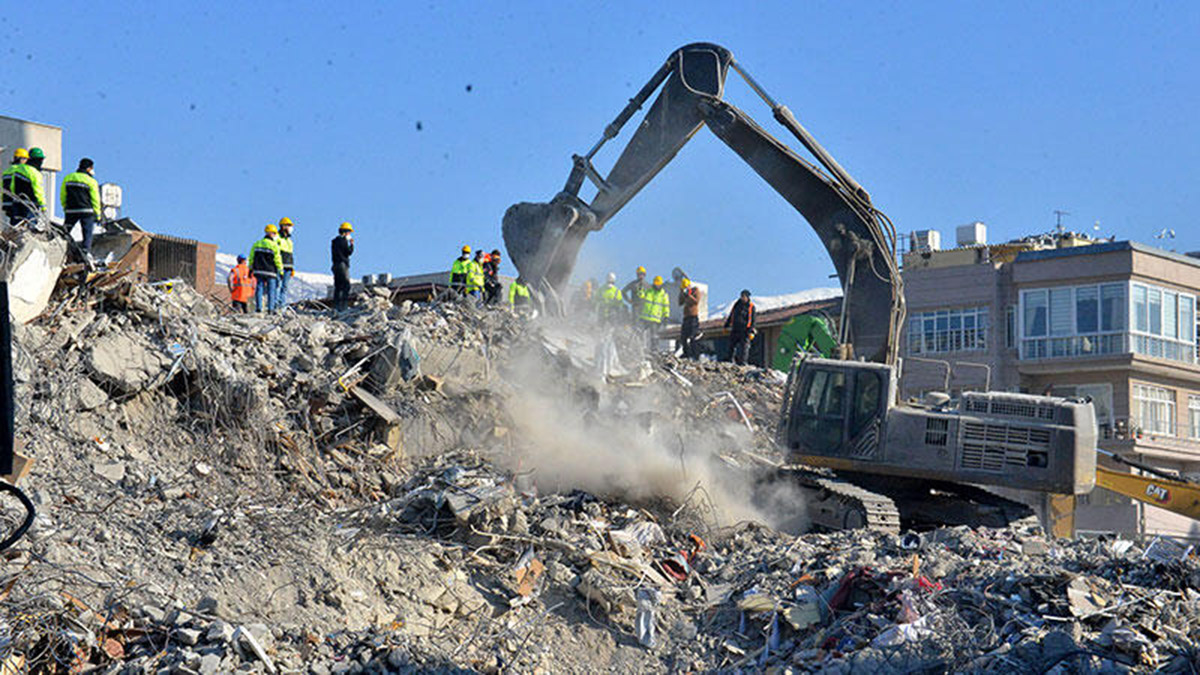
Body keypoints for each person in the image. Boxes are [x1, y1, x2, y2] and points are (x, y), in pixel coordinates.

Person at [61, 158, 102, 256]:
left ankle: (60, 246)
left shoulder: (68, 178)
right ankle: (85, 252)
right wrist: (98, 214)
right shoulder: (91, 181)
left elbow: (63, 194)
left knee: (65, 231)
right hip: (86, 211)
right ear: (89, 168)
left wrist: (65, 207)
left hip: (71, 210)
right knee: (87, 233)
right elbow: (95, 199)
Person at [4, 147, 45, 226]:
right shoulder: (34, 172)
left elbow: (11, 187)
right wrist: (43, 206)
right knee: (30, 227)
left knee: (16, 226)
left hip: (16, 202)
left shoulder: (11, 171)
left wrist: (8, 202)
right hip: (30, 204)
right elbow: (38, 191)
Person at [249, 224, 284, 313]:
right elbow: (278, 259)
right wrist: (281, 271)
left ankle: (259, 307)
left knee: (259, 288)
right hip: (271, 271)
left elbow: (251, 257)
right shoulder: (274, 245)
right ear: (272, 234)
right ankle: (270, 309)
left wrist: (250, 268)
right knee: (271, 290)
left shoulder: (257, 243)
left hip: (259, 270)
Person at [724, 289, 757, 365]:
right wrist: (727, 324)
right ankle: (730, 359)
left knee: (744, 347)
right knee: (731, 344)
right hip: (735, 328)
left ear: (748, 297)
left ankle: (743, 362)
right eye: (742, 296)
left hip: (745, 329)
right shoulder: (737, 305)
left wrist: (751, 330)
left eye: (744, 296)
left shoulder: (751, 307)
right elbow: (732, 315)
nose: (743, 298)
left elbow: (753, 319)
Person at [331, 222, 354, 312]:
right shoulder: (343, 241)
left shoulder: (334, 241)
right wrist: (351, 244)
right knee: (346, 285)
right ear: (345, 232)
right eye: (349, 232)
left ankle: (336, 306)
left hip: (335, 265)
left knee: (338, 286)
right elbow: (348, 252)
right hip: (342, 265)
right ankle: (343, 306)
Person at [1, 148, 28, 224]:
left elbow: (3, 187)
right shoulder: (21, 171)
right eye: (25, 159)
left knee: (12, 224)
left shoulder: (7, 171)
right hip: (16, 201)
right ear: (21, 159)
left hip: (7, 202)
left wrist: (4, 202)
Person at [275, 217, 296, 311]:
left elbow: (290, 254)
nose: (290, 228)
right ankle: (275, 306)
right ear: (283, 226)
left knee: (285, 287)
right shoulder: (277, 238)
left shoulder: (289, 241)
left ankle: (282, 307)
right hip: (280, 266)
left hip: (288, 266)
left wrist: (292, 268)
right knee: (277, 286)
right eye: (289, 225)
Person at [678, 277, 701, 358]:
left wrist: (689, 295)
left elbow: (696, 301)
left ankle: (696, 354)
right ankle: (686, 353)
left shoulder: (695, 291)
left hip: (693, 317)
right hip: (686, 317)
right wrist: (682, 294)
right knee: (683, 337)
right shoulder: (684, 293)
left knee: (693, 337)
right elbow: (680, 303)